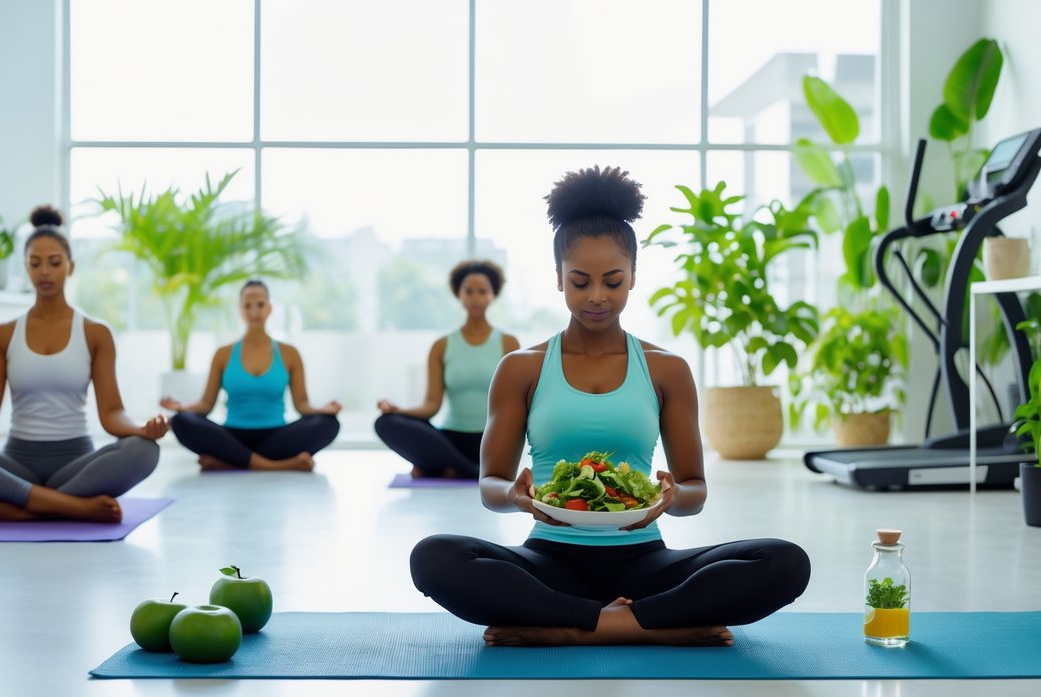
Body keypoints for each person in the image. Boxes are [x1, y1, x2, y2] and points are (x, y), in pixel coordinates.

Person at [408, 166, 811, 647]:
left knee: (785, 561)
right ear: (558, 279)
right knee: (432, 556)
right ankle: (649, 626)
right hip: (548, 559)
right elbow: (490, 485)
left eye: (613, 281)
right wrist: (515, 496)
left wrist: (668, 499)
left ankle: (574, 629)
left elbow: (694, 491)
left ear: (634, 277)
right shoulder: (521, 367)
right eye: (580, 282)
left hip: (644, 560)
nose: (597, 297)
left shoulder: (666, 369)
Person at [0, 206, 167, 523]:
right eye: (35, 263)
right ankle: (69, 507)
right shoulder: (3, 335)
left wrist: (141, 429)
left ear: (70, 267)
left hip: (76, 465)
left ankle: (15, 508)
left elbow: (111, 414)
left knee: (144, 450)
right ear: (25, 268)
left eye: (54, 263)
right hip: (16, 464)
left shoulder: (96, 334)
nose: (44, 272)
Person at [161, 279, 341, 471]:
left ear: (270, 308)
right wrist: (182, 408)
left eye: (260, 305)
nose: (254, 312)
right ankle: (276, 465)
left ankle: (230, 461)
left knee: (329, 424)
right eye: (248, 306)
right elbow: (206, 405)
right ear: (240, 310)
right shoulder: (223, 354)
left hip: (277, 436)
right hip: (232, 436)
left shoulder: (290, 354)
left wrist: (323, 410)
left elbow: (302, 405)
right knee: (180, 422)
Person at [374, 260, 520, 478]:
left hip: (491, 439)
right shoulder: (442, 345)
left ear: (493, 295)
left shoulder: (508, 343)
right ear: (458, 294)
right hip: (450, 439)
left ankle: (442, 467)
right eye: (468, 291)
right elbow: (432, 405)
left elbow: (513, 404)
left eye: (482, 291)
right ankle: (468, 470)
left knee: (444, 462)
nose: (475, 298)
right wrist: (398, 411)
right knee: (385, 423)